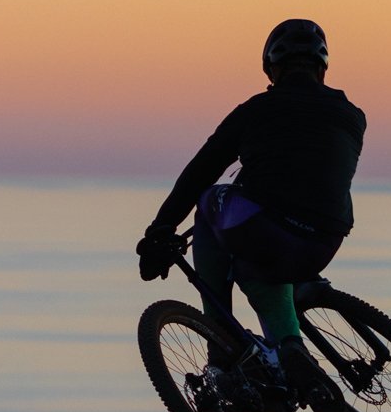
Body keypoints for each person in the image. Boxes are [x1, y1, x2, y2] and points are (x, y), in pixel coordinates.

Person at [134, 19, 366, 352]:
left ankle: (222, 343)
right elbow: (309, 170)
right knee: (270, 243)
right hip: (325, 242)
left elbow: (200, 171)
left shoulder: (255, 111)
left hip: (270, 234)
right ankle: (288, 349)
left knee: (211, 200)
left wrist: (161, 229)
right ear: (322, 70)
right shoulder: (352, 116)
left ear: (271, 69)